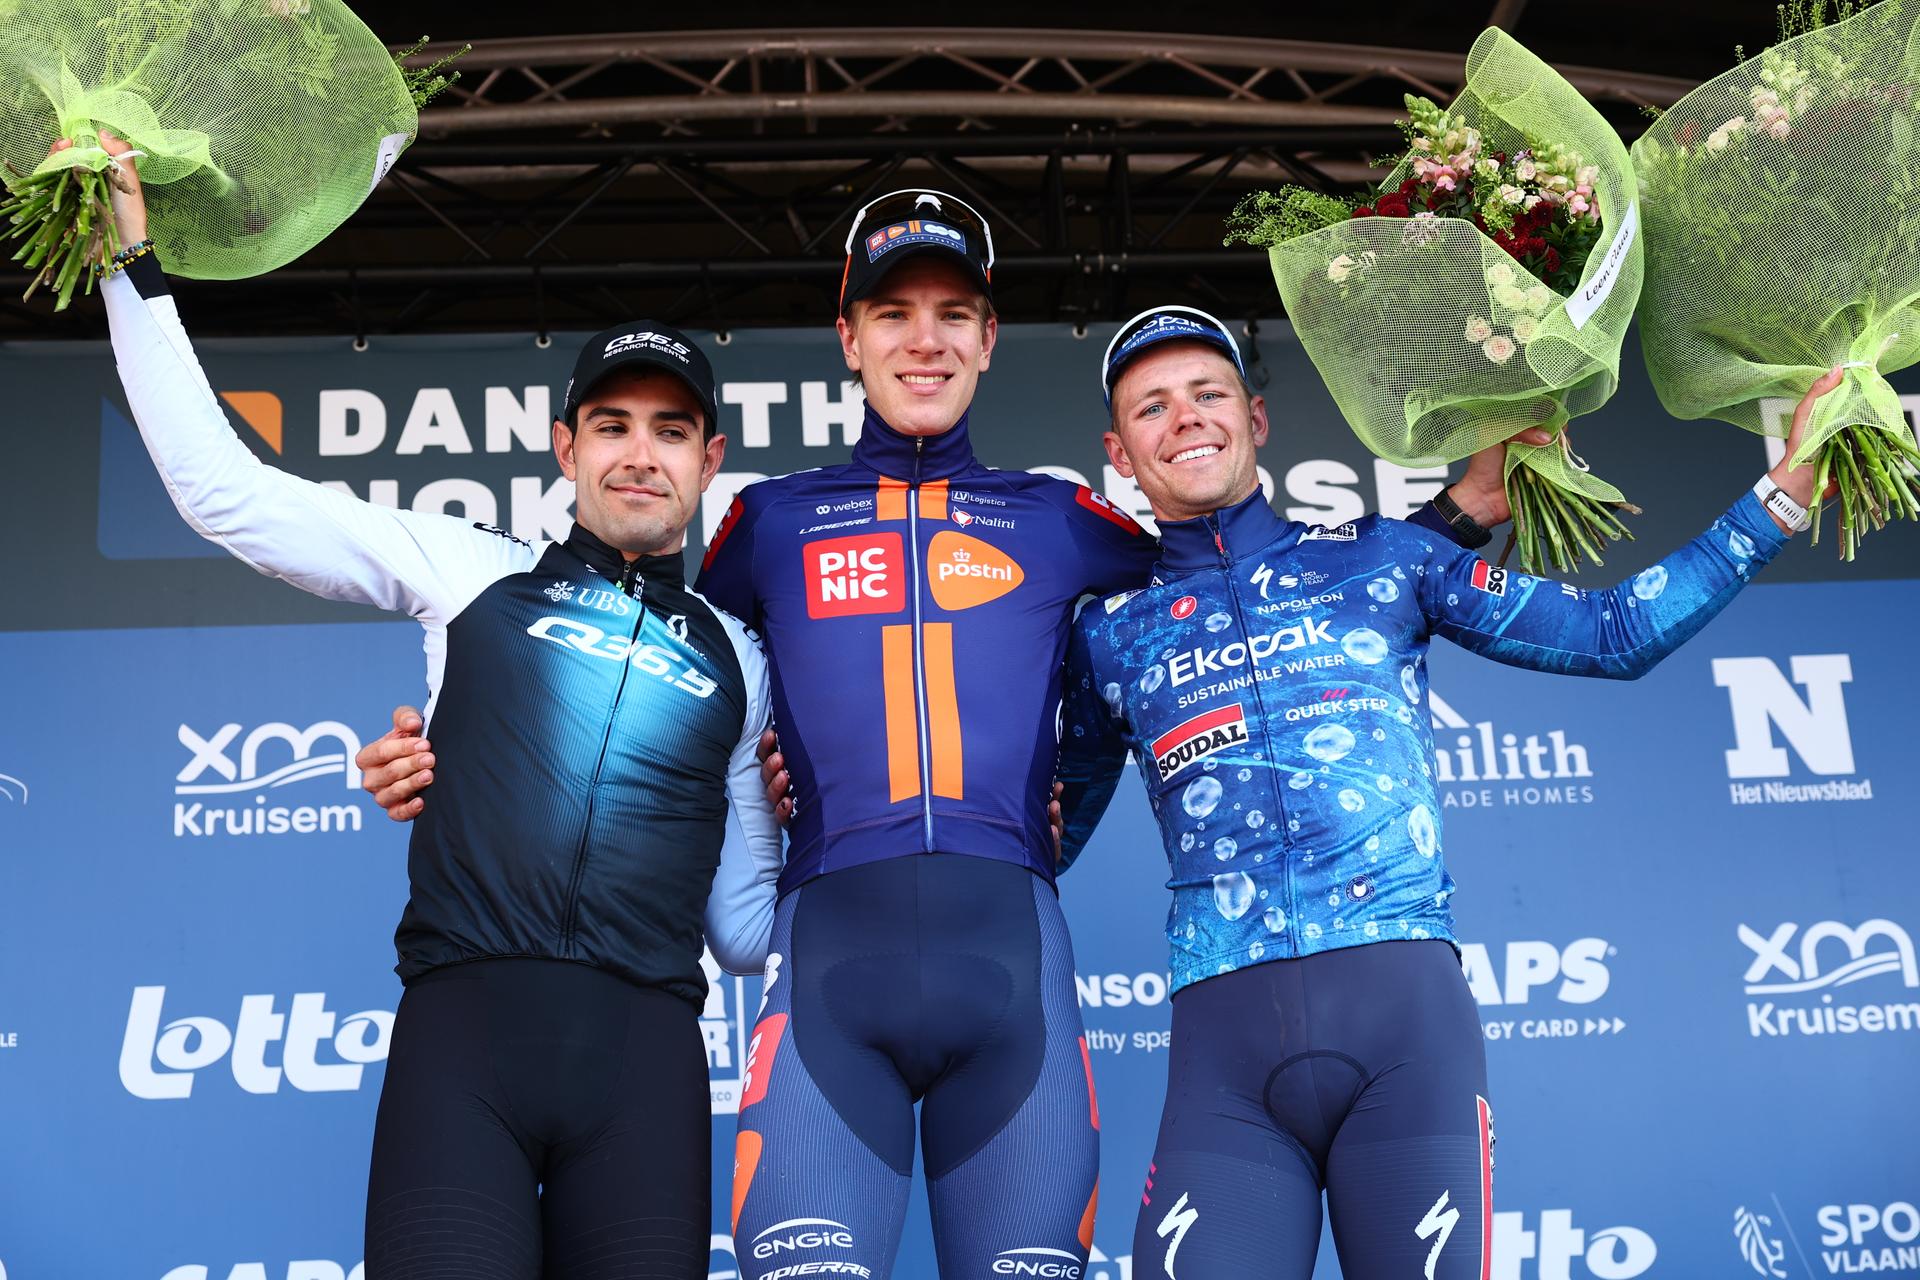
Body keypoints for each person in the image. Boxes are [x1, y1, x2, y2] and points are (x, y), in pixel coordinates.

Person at [354, 196, 1513, 1280]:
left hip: (1010, 963)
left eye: (953, 313)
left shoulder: (1060, 516)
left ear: (989, 338)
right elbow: (663, 674)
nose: (924, 340)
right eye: (893, 313)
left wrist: (1451, 520)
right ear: (848, 337)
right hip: (827, 956)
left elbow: (1245, 573)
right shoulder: (767, 522)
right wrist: (470, 745)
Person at [80, 132, 781, 1280]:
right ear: (565, 447)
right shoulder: (469, 569)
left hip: (646, 1071)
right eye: (612, 425)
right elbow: (223, 492)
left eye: (670, 431)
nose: (639, 455)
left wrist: (827, 824)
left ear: (710, 461)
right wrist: (128, 262)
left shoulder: (739, 658)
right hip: (466, 1046)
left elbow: (747, 932)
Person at [1054, 305, 1841, 1280]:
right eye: (1152, 407)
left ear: (1255, 417)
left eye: (1208, 393)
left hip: (1407, 1037)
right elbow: (1042, 838)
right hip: (1225, 1058)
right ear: (1119, 454)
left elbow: (1613, 634)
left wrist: (1780, 497)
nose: (1186, 419)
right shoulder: (1109, 636)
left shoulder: (1384, 559)